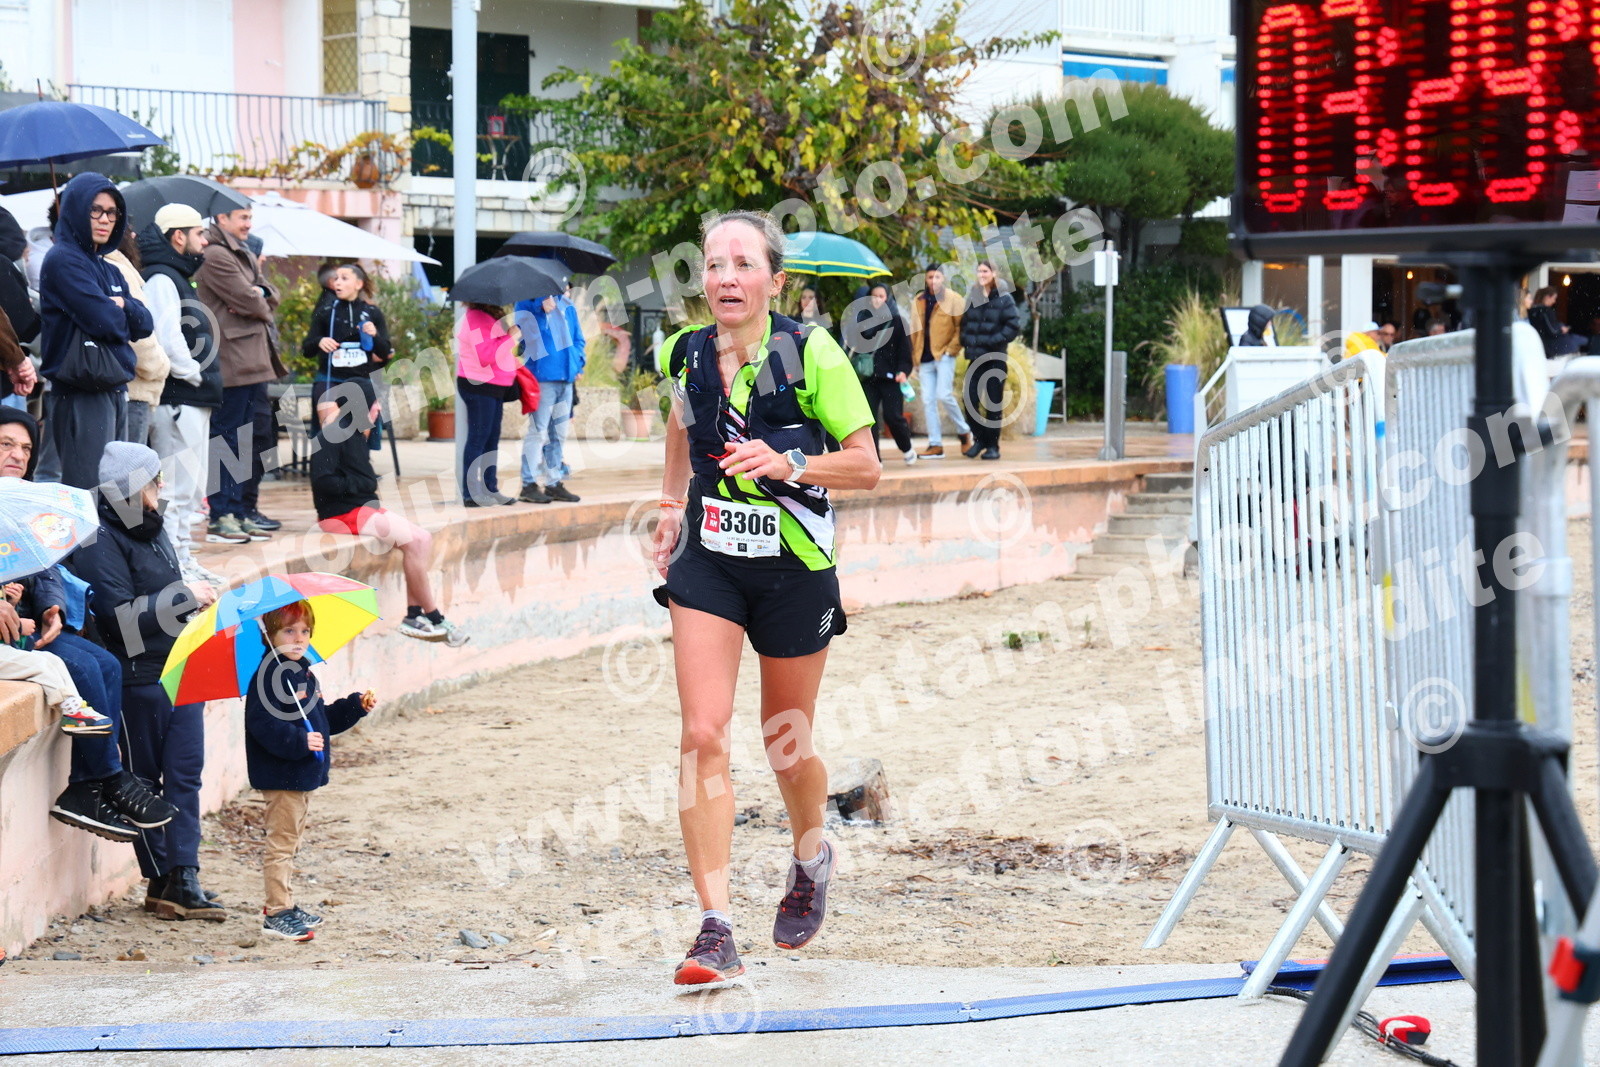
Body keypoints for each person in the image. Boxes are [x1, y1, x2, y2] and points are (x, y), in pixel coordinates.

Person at [651, 209, 879, 986]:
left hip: (796, 566)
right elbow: (681, 423)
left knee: (786, 741)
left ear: (775, 280)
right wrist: (668, 503)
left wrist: (790, 463)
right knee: (702, 731)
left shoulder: (812, 352)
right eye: (715, 264)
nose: (726, 277)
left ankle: (812, 852)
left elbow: (867, 465)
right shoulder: (683, 352)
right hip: (709, 560)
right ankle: (715, 927)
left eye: (743, 264)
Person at [0, 410, 177, 841]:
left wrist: (53, 607)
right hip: (10, 633)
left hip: (29, 623)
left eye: (26, 448)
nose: (18, 455)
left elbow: (45, 566)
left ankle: (86, 785)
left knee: (105, 665)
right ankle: (109, 777)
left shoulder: (23, 500)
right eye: (6, 444)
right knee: (81, 667)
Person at [70, 441, 224, 920]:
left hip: (181, 665)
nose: (162, 487)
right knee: (146, 781)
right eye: (156, 480)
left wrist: (194, 604)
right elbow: (118, 619)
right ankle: (163, 879)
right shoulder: (98, 538)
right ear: (138, 486)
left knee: (185, 774)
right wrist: (184, 596)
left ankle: (185, 875)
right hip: (139, 677)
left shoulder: (153, 526)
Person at [245, 600, 375, 942]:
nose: (299, 638)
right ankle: (276, 912)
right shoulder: (268, 677)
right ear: (270, 635)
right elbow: (262, 725)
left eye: (305, 631)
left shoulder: (302, 673)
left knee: (292, 841)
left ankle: (286, 903)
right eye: (289, 631)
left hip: (300, 775)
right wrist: (299, 742)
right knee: (281, 843)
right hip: (281, 775)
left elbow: (321, 722)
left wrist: (353, 707)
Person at [311, 377, 470, 646]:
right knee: (414, 541)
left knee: (422, 538)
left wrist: (364, 484)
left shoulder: (356, 435)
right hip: (339, 515)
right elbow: (323, 482)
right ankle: (435, 617)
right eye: (374, 404)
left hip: (361, 508)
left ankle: (414, 615)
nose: (378, 409)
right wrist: (362, 483)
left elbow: (363, 483)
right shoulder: (331, 435)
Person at [37, 173, 152, 488]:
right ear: (76, 209)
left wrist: (123, 305)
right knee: (90, 491)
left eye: (112, 212)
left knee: (117, 492)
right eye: (95, 210)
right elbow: (104, 320)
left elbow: (144, 324)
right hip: (81, 390)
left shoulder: (110, 268)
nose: (105, 220)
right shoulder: (62, 260)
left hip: (115, 387)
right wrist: (120, 312)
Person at [139, 205, 224, 576]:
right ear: (178, 236)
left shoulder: (176, 276)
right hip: (178, 398)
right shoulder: (162, 277)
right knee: (173, 489)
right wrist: (194, 375)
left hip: (192, 398)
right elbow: (166, 337)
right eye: (199, 234)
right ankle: (174, 568)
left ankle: (185, 559)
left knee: (191, 489)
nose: (204, 242)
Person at [197, 205, 282, 545]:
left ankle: (237, 511)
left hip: (251, 358)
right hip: (231, 357)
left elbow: (270, 294)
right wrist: (257, 296)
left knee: (245, 438)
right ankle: (221, 515)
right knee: (226, 438)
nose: (249, 223)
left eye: (249, 217)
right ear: (222, 218)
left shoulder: (240, 251)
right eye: (242, 217)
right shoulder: (216, 254)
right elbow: (251, 300)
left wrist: (259, 294)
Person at [513, 289, 585, 504]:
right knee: (537, 432)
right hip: (542, 378)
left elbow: (578, 339)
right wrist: (540, 310)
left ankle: (553, 482)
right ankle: (528, 484)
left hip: (566, 379)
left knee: (559, 434)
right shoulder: (525, 302)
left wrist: (578, 363)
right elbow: (523, 336)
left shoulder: (567, 304)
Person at [105, 232, 170, 447]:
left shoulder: (99, 264)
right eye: (128, 229)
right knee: (131, 465)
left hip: (121, 387)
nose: (134, 235)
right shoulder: (118, 268)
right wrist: (159, 367)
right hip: (134, 388)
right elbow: (139, 336)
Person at [301, 263, 393, 411]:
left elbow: (385, 353)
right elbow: (306, 350)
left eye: (344, 278)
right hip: (330, 379)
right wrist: (319, 341)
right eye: (336, 278)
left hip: (362, 380)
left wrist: (374, 335)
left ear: (358, 284)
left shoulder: (372, 312)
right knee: (331, 422)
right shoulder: (325, 312)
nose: (337, 282)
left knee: (363, 421)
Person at [846, 282, 917, 465]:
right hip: (868, 377)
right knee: (869, 420)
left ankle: (907, 447)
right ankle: (874, 458)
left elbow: (905, 350)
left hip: (891, 378)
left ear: (887, 298)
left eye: (881, 296)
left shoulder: (897, 321)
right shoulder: (863, 320)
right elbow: (855, 346)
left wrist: (903, 371)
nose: (877, 300)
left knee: (893, 417)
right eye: (874, 296)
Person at [456, 302, 519, 506]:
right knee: (478, 439)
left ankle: (490, 488)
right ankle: (470, 493)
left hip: (494, 386)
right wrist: (510, 337)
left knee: (491, 439)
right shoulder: (476, 317)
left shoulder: (489, 316)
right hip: (479, 386)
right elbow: (486, 355)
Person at [958, 260, 1022, 461]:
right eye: (979, 271)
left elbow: (1013, 326)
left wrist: (993, 341)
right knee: (969, 400)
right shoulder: (973, 296)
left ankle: (993, 446)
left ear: (994, 273)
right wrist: (966, 341)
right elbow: (964, 324)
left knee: (993, 405)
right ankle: (980, 440)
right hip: (975, 359)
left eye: (985, 271)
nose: (981, 274)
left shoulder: (1004, 298)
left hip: (995, 359)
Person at [908, 264, 969, 459]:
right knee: (928, 401)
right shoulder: (918, 300)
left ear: (943, 278)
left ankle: (964, 431)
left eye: (937, 277)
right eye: (930, 277)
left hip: (944, 356)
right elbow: (915, 330)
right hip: (924, 358)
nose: (933, 281)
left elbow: (961, 327)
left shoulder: (954, 299)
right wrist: (914, 358)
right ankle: (935, 444)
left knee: (944, 395)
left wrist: (951, 351)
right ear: (925, 279)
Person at [1529, 287, 1585, 356]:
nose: (1554, 301)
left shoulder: (1531, 311)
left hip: (1541, 345)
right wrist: (1562, 330)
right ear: (1547, 297)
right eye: (1554, 298)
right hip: (1552, 346)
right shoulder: (1546, 311)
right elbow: (1552, 331)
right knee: (1582, 340)